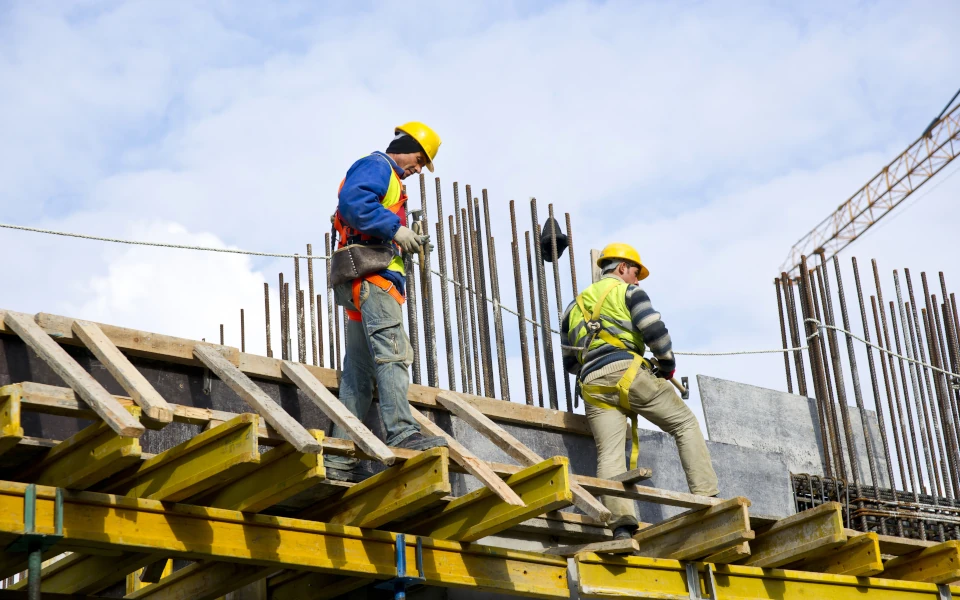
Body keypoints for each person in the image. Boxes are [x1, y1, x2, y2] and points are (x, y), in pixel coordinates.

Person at [560, 243, 719, 539]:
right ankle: (707, 498)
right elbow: (654, 330)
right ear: (621, 268)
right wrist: (667, 365)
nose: (637, 279)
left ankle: (621, 526)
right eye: (635, 272)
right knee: (684, 424)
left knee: (609, 454)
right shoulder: (628, 292)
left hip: (592, 384)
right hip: (629, 373)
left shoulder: (572, 307)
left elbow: (570, 362)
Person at [324, 122, 448, 482]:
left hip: (362, 283)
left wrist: (402, 236)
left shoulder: (391, 180)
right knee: (394, 354)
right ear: (405, 146)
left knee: (358, 376)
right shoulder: (378, 166)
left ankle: (339, 458)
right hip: (374, 282)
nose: (419, 168)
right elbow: (353, 203)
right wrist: (396, 230)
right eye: (420, 159)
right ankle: (402, 432)